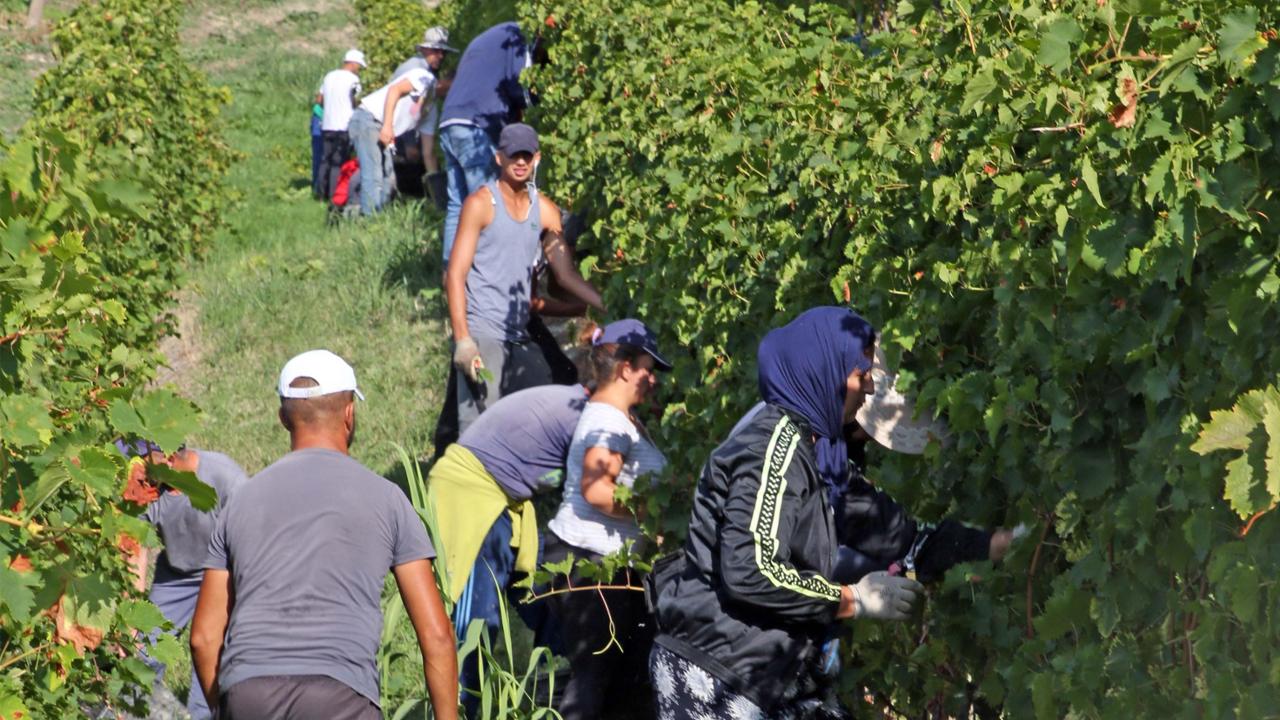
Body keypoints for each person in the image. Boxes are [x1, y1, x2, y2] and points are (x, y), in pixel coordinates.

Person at [649, 307, 925, 719]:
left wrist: (991, 544)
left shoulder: (814, 452)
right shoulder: (773, 446)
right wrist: (852, 600)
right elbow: (751, 568)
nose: (868, 388)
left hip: (770, 673)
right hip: (720, 677)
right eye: (860, 374)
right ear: (826, 372)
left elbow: (884, 527)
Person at [190, 350, 458, 719]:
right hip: (340, 695)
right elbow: (437, 636)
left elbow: (204, 638)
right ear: (349, 413)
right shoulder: (387, 499)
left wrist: (226, 708)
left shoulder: (240, 501)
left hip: (249, 691)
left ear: (284, 418)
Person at [426, 382, 590, 715]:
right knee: (478, 620)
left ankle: (566, 688)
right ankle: (461, 709)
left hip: (508, 497)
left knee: (543, 595)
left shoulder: (582, 404)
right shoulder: (586, 417)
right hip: (472, 493)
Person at [542, 319, 672, 720]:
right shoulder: (608, 420)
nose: (652, 379)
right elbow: (597, 490)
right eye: (648, 368)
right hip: (594, 565)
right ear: (625, 368)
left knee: (619, 683)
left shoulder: (618, 418)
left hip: (607, 565)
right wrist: (652, 514)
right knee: (593, 684)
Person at [446, 123, 585, 435]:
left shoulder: (545, 210)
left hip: (518, 333)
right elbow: (454, 274)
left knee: (549, 399)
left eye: (526, 155)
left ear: (536, 158)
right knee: (480, 427)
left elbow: (565, 275)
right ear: (499, 158)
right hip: (484, 331)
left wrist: (600, 304)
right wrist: (463, 340)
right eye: (513, 156)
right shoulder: (481, 204)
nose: (520, 162)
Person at [115, 439, 249, 720]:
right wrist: (131, 620)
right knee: (142, 654)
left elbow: (249, 536)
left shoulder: (222, 474)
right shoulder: (148, 490)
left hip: (223, 576)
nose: (134, 472)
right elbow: (134, 554)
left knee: (210, 665)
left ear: (166, 458)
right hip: (175, 577)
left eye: (139, 462)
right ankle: (137, 713)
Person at [438, 21, 533, 261]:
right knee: (486, 203)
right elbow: (517, 87)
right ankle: (487, 275)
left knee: (458, 204)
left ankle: (451, 275)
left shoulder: (489, 37)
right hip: (475, 125)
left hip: (450, 121)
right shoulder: (517, 37)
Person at [347, 63, 438, 216]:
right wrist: (388, 126)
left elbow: (428, 153)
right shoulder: (425, 78)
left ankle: (379, 219)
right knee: (374, 175)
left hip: (382, 126)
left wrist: (436, 188)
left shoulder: (431, 109)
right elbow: (394, 90)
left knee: (388, 179)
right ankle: (369, 223)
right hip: (368, 119)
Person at [392, 27, 457, 175]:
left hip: (404, 123)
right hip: (394, 124)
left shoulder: (427, 69)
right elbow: (405, 106)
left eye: (443, 52)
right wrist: (409, 143)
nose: (441, 56)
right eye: (436, 51)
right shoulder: (417, 70)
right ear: (424, 49)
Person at [317, 49, 366, 209]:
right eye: (359, 65)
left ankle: (320, 194)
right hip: (344, 125)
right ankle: (334, 196)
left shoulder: (329, 76)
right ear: (353, 63)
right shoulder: (353, 80)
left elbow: (319, 99)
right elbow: (355, 101)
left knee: (325, 160)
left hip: (327, 124)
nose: (359, 69)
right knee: (339, 162)